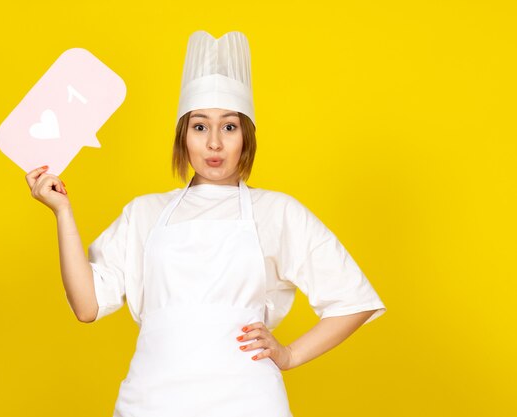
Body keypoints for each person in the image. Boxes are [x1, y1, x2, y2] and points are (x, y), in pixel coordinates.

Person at [26, 31, 386, 417]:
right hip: (151, 401)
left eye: (229, 127)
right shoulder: (144, 213)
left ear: (245, 138)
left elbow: (353, 300)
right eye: (200, 126)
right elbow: (87, 305)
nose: (214, 143)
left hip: (248, 402)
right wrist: (62, 212)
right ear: (184, 137)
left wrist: (290, 354)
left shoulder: (276, 211)